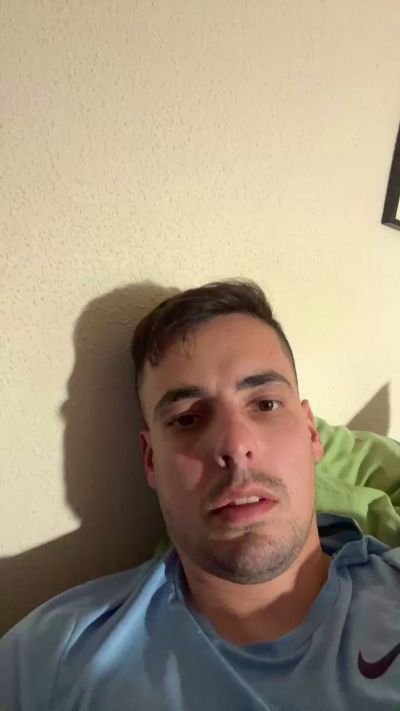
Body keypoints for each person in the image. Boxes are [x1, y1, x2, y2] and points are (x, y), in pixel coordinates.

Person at [0, 280, 399, 711]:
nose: (234, 444)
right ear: (151, 459)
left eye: (265, 404)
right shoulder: (56, 657)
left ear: (310, 433)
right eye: (187, 419)